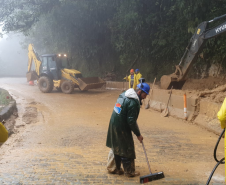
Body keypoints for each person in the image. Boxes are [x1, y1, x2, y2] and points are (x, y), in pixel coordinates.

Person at [106, 81, 150, 177]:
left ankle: (115, 168)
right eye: (144, 94)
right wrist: (138, 134)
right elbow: (131, 121)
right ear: (139, 92)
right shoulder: (133, 102)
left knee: (116, 144)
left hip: (113, 123)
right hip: (122, 126)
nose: (145, 97)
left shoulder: (124, 94)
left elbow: (124, 112)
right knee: (127, 148)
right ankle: (129, 172)